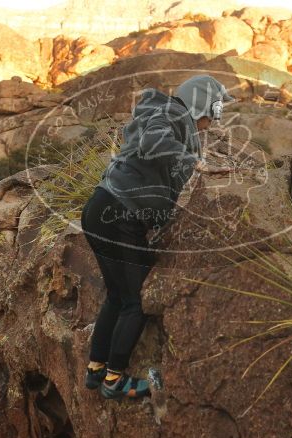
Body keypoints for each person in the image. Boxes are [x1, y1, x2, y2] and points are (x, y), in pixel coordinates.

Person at [79, 74, 234, 400]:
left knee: (117, 296)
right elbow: (153, 142)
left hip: (100, 208)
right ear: (200, 105)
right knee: (137, 302)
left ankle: (96, 370)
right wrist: (197, 163)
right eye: (214, 111)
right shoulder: (172, 116)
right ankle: (115, 381)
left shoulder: (162, 111)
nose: (213, 122)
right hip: (120, 215)